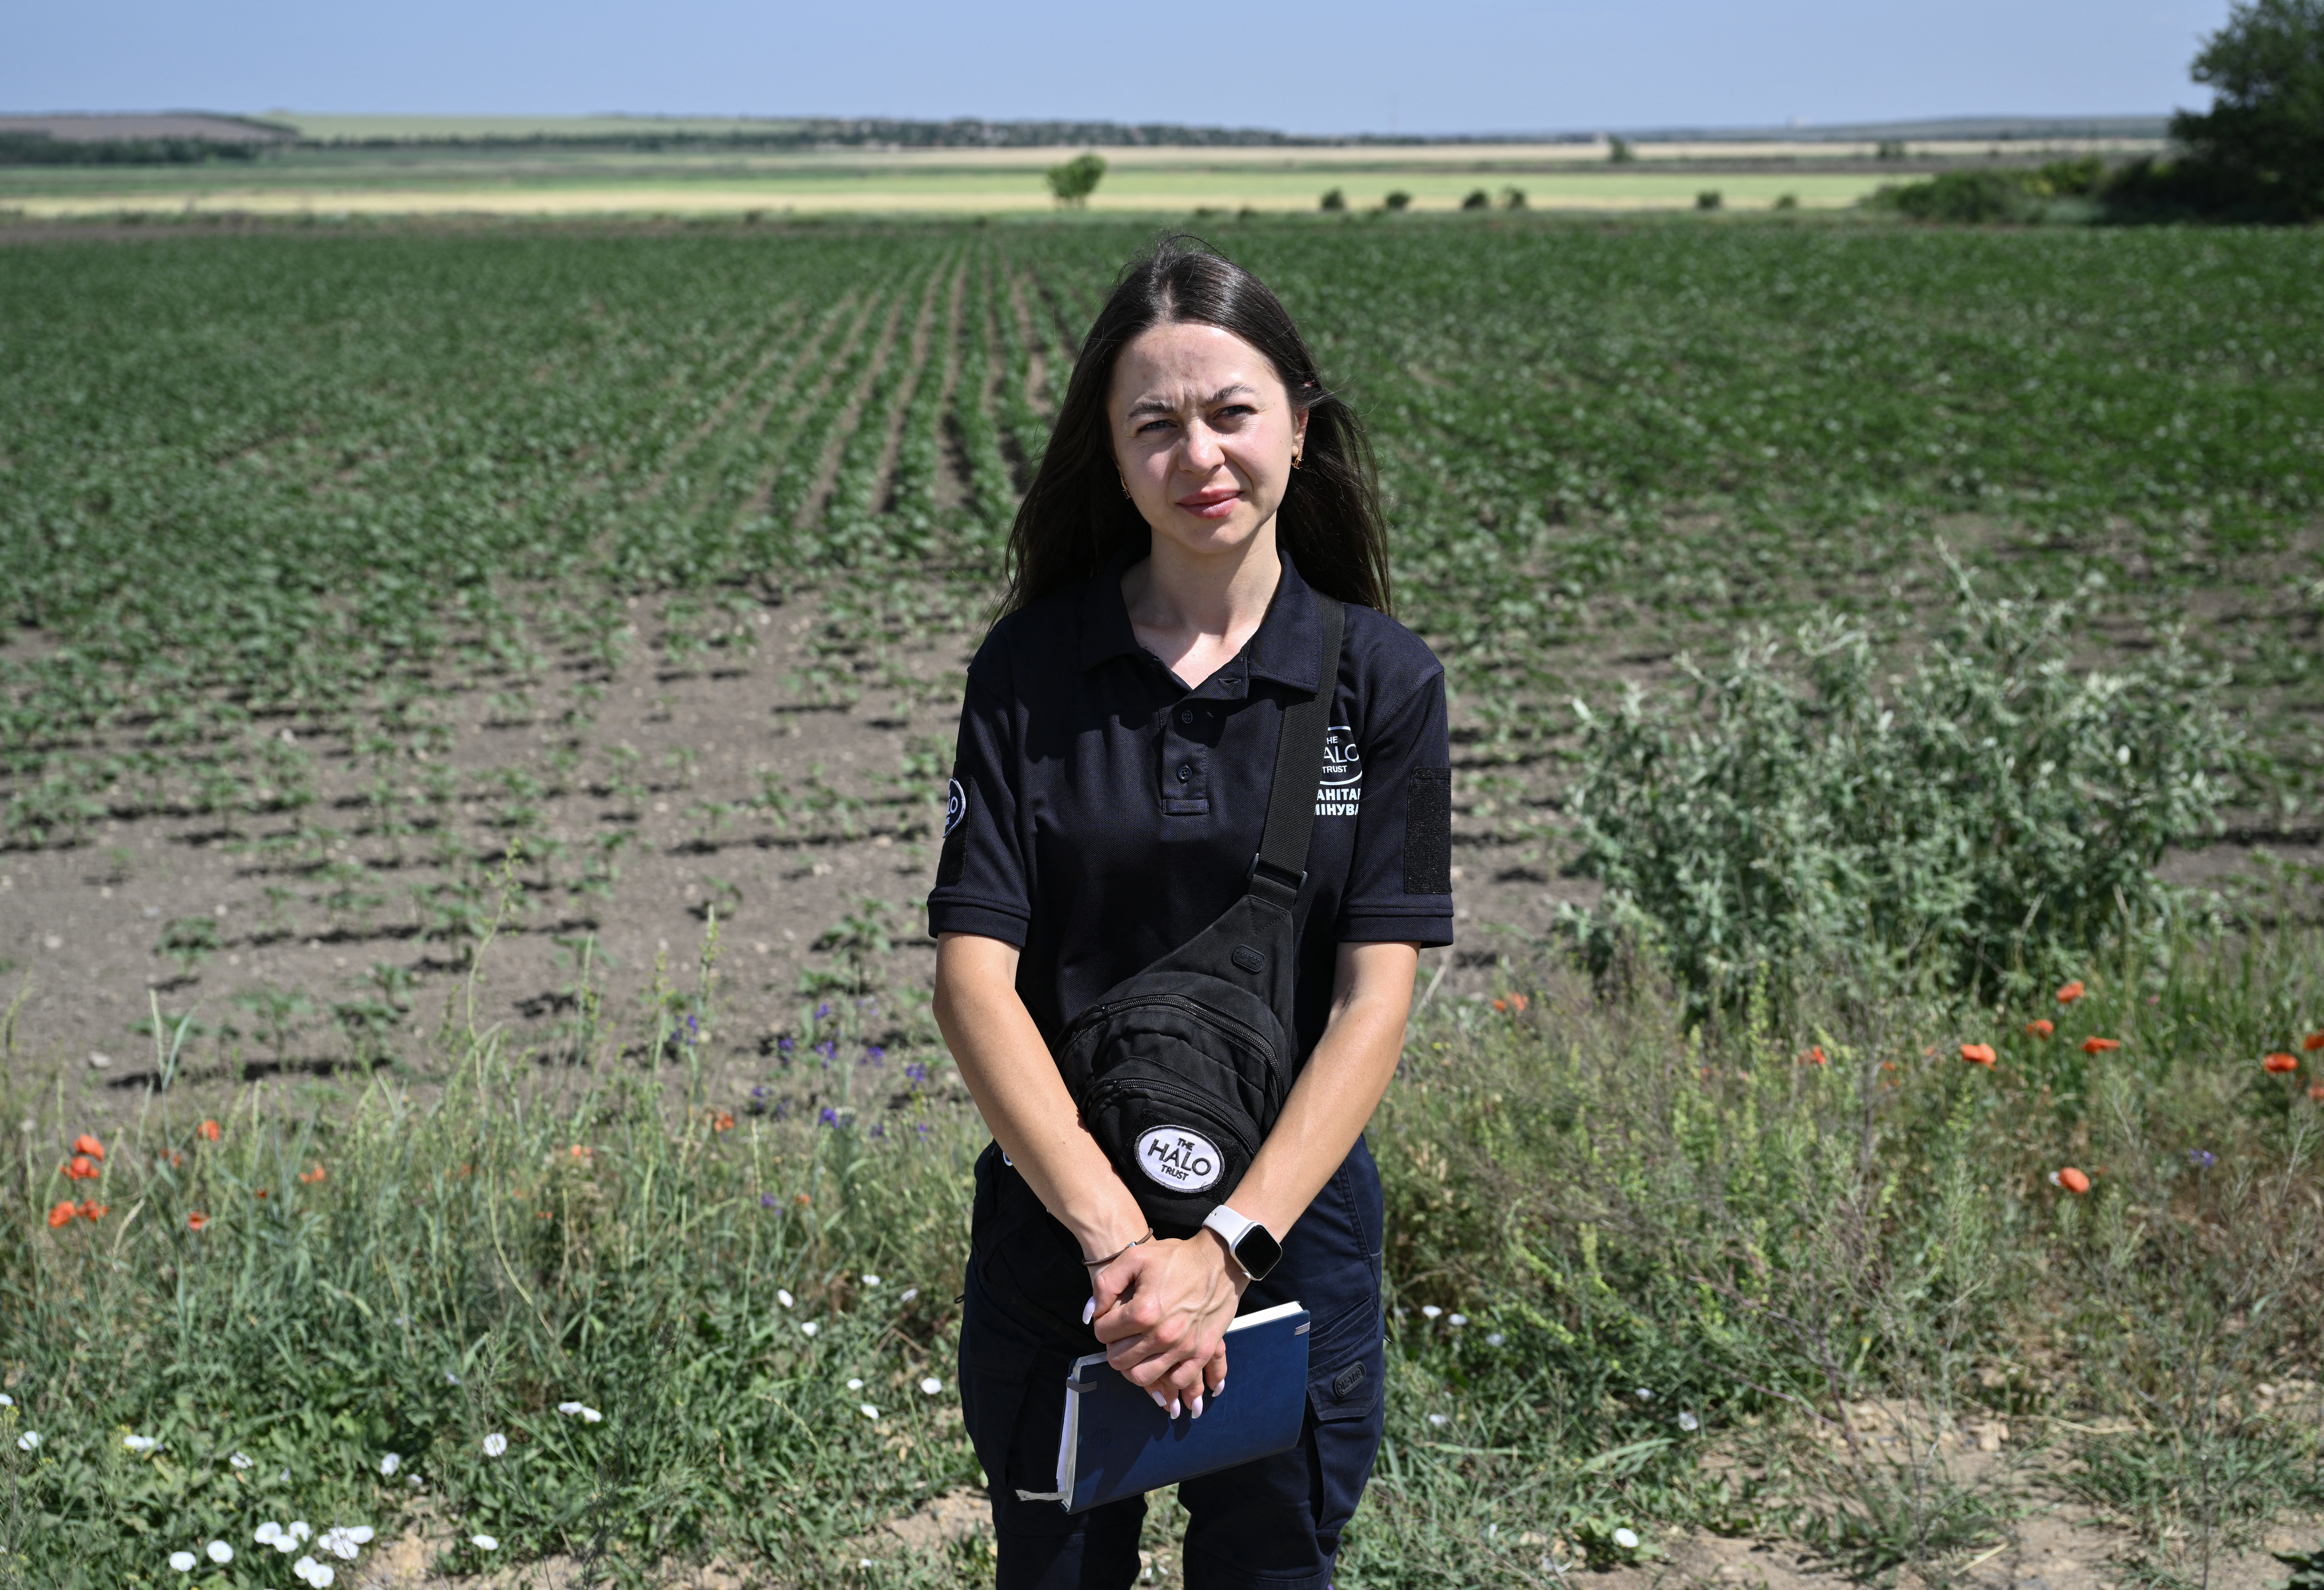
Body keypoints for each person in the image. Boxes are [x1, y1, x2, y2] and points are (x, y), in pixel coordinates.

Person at [929, 237, 1454, 1590]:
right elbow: (970, 980)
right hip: (1068, 1246)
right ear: (1109, 456)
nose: (1198, 455)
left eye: (1229, 413)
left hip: (1285, 1241)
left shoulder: (1377, 682)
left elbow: (1370, 996)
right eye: (1152, 425)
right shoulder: (1030, 669)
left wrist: (1222, 1252)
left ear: (1297, 417)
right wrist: (1120, 1244)